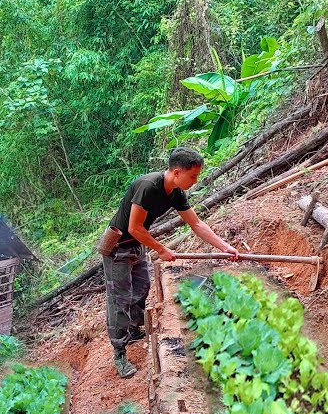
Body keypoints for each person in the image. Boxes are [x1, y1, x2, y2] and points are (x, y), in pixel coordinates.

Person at [98, 147, 239, 378]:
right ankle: (119, 351)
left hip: (136, 244)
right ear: (176, 172)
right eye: (192, 176)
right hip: (117, 247)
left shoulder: (175, 193)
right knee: (119, 299)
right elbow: (134, 227)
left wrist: (225, 247)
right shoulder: (148, 186)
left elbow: (197, 224)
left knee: (142, 288)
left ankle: (133, 331)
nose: (195, 181)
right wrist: (162, 249)